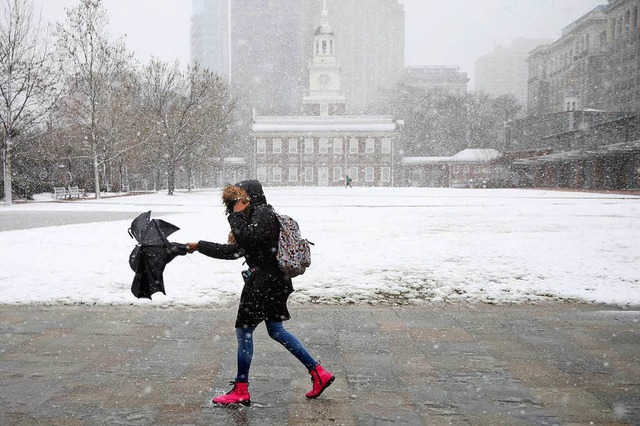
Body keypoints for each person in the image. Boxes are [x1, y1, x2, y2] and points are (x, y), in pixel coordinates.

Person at [185, 179, 334, 405]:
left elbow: (248, 238)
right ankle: (318, 373)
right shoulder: (256, 217)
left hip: (265, 283)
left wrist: (235, 216)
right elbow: (235, 251)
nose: (237, 203)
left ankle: (241, 389)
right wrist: (199, 246)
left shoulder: (262, 214)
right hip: (272, 282)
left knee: (244, 331)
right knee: (276, 330)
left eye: (241, 198)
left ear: (250, 197)